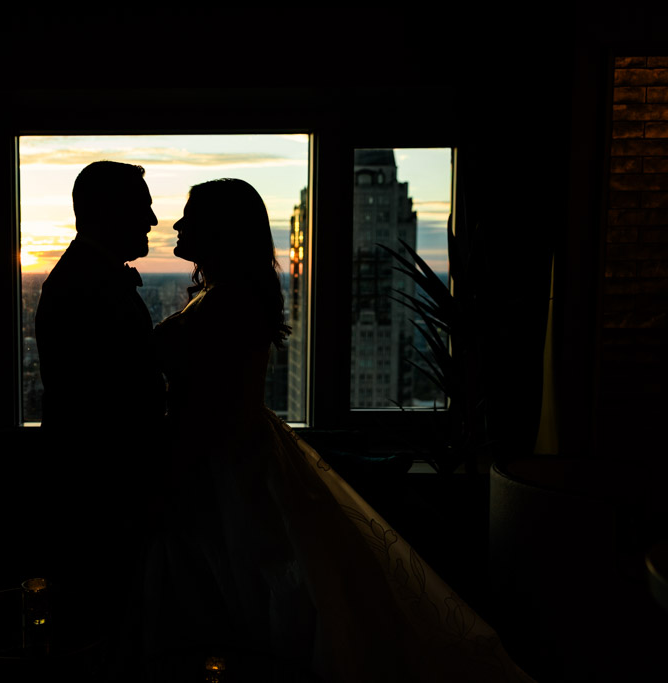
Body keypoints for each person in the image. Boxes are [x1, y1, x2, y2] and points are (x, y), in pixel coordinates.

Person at [141, 178, 533, 682]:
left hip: (224, 468)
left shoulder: (226, 303)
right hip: (239, 458)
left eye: (190, 216)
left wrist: (170, 481)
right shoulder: (226, 295)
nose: (176, 224)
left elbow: (205, 410)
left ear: (220, 230)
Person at [33, 160, 167, 601]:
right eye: (143, 208)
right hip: (101, 497)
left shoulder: (87, 276)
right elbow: (112, 408)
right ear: (111, 212)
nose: (152, 220)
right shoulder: (87, 286)